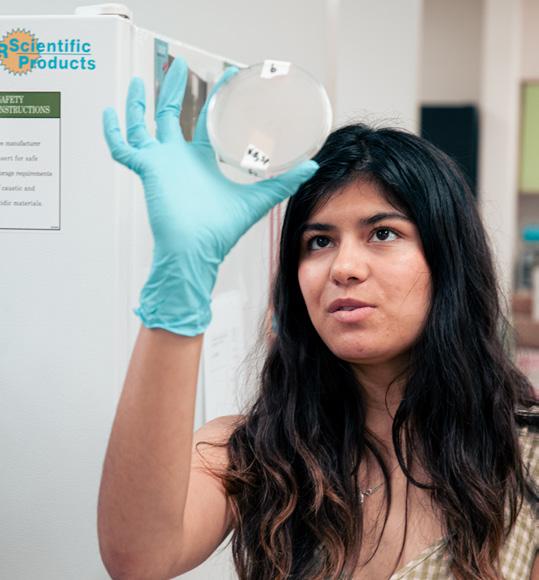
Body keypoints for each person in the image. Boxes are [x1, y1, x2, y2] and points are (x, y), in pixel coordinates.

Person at [97, 57, 538, 580]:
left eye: (383, 233)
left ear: (448, 261)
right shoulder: (258, 454)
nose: (343, 267)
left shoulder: (524, 461)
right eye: (319, 241)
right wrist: (180, 279)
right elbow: (139, 558)